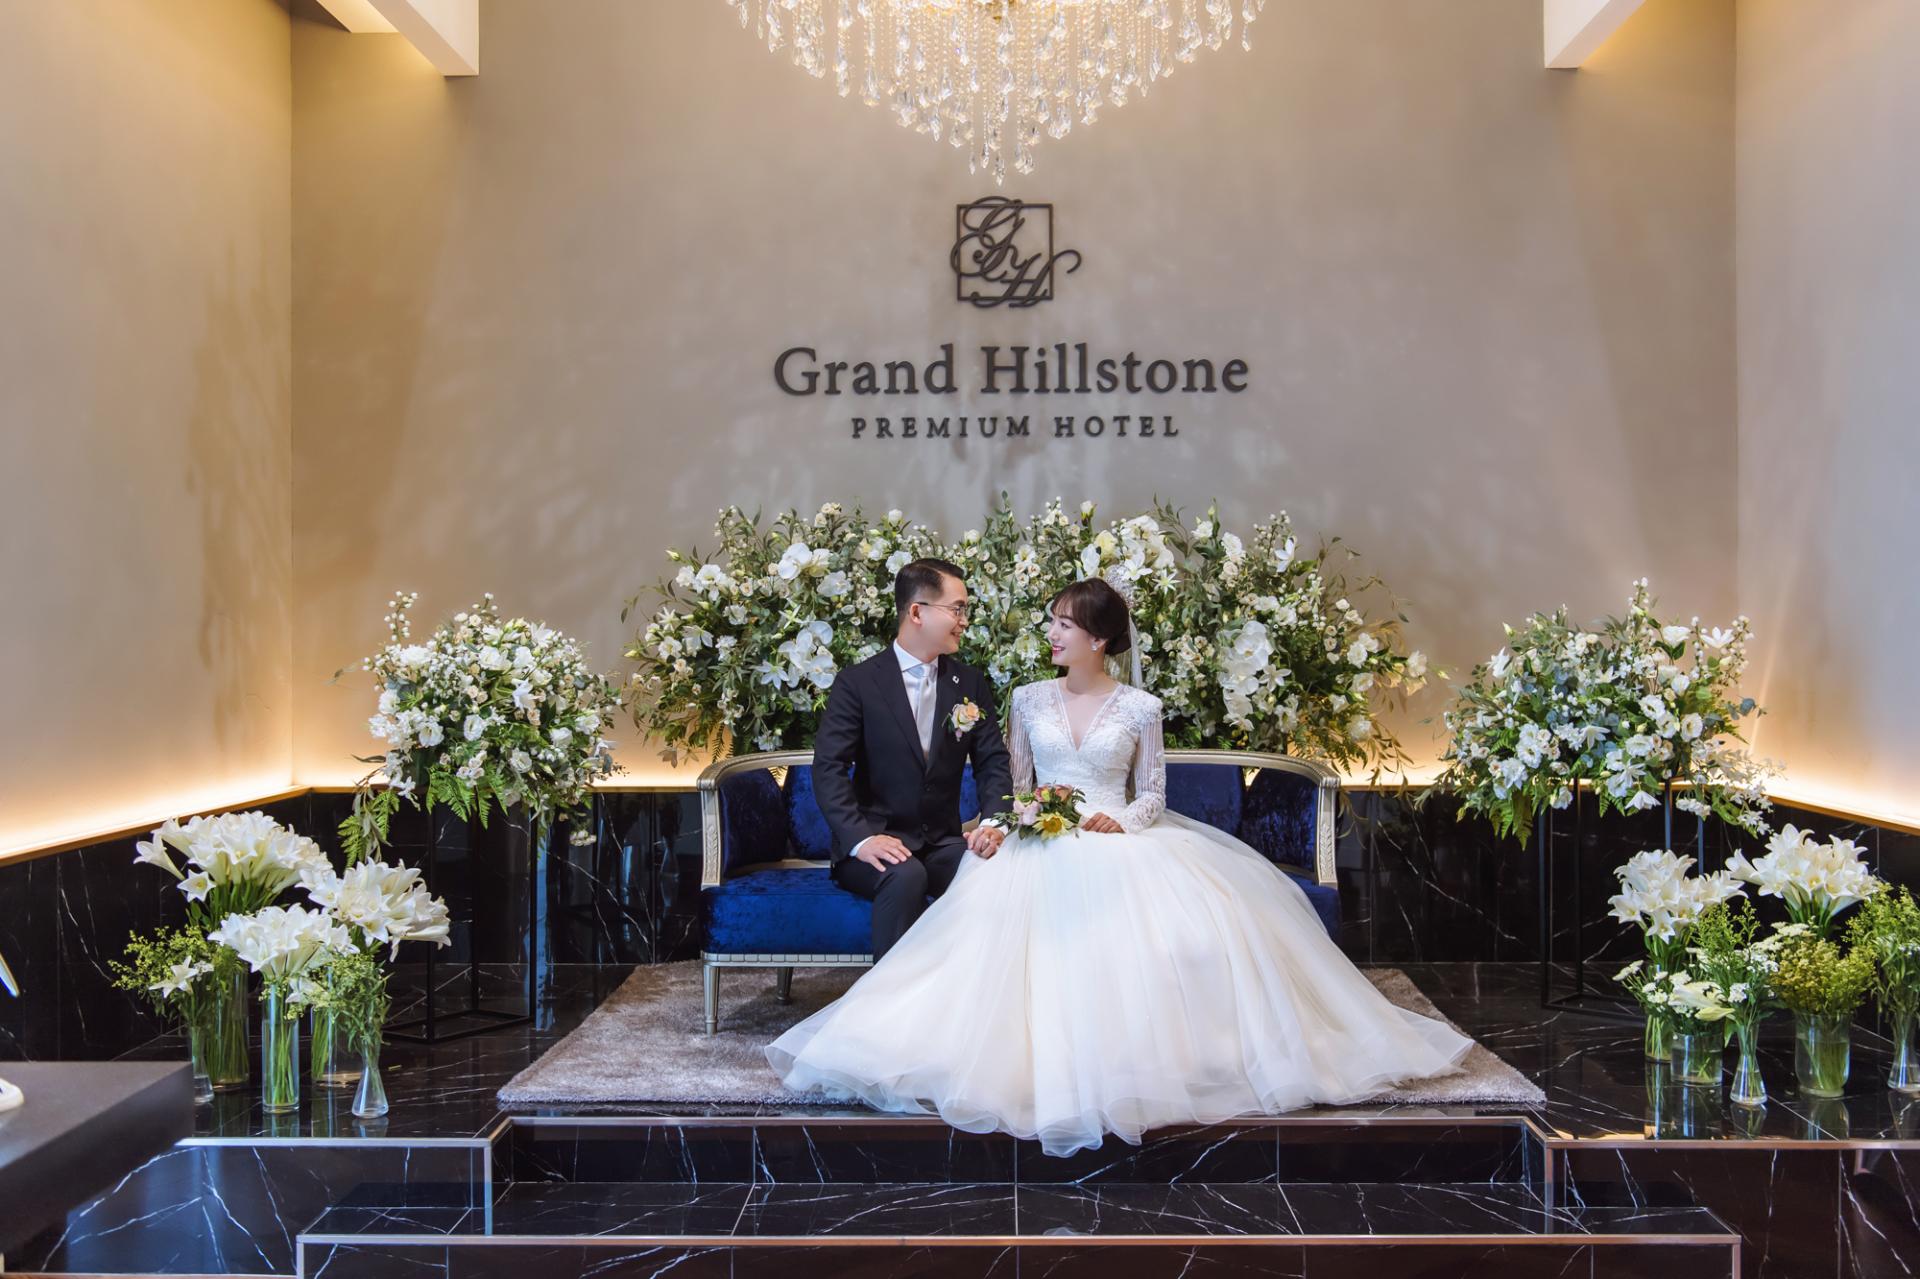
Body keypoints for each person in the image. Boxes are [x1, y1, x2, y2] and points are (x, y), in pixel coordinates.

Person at [770, 577, 1474, 1156]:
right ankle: (908, 1031)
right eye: (958, 606)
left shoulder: (1135, 706)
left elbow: (1152, 794)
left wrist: (1120, 820)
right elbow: (1009, 780)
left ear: (1098, 639)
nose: (1050, 633)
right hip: (1036, 836)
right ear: (918, 610)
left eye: (1063, 624)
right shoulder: (1018, 697)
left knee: (1175, 936)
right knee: (980, 910)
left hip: (1119, 839)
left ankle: (1159, 1060)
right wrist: (1005, 821)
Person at [810, 558, 1013, 960]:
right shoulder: (858, 683)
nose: (964, 621)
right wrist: (861, 839)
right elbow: (829, 768)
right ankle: (891, 995)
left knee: (993, 870)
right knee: (905, 876)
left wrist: (993, 824)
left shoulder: (969, 683)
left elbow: (992, 762)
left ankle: (972, 989)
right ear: (917, 612)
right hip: (876, 841)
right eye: (957, 609)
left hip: (941, 841)